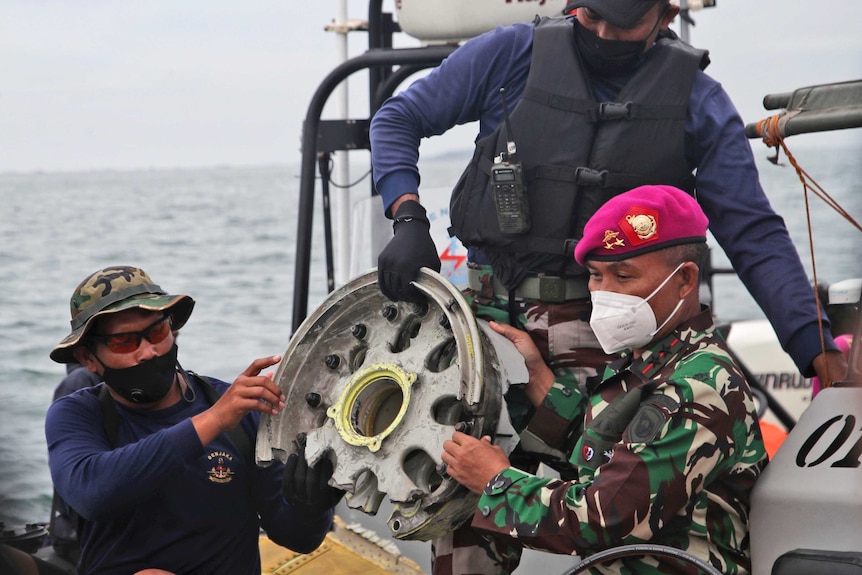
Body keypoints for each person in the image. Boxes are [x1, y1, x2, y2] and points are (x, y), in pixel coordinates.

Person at [370, 1, 843, 570]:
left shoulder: (697, 100)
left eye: (621, 23)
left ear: (666, 16)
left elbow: (753, 232)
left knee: (611, 516)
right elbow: (398, 118)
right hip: (489, 332)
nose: (600, 32)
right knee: (462, 508)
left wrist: (814, 349)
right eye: (591, 15)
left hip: (611, 339)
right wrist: (407, 215)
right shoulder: (509, 53)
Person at [441, 185, 768, 574]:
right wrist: (537, 379)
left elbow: (600, 519)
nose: (605, 293)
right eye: (596, 276)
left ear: (684, 281)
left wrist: (495, 480)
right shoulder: (650, 359)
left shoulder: (697, 385)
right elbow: (608, 460)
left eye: (624, 276)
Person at [45, 265, 343, 575]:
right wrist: (213, 421)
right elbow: (92, 493)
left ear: (172, 329)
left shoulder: (240, 413)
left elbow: (296, 537)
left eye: (157, 332)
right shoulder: (76, 414)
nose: (148, 352)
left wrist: (311, 505)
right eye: (125, 342)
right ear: (88, 358)